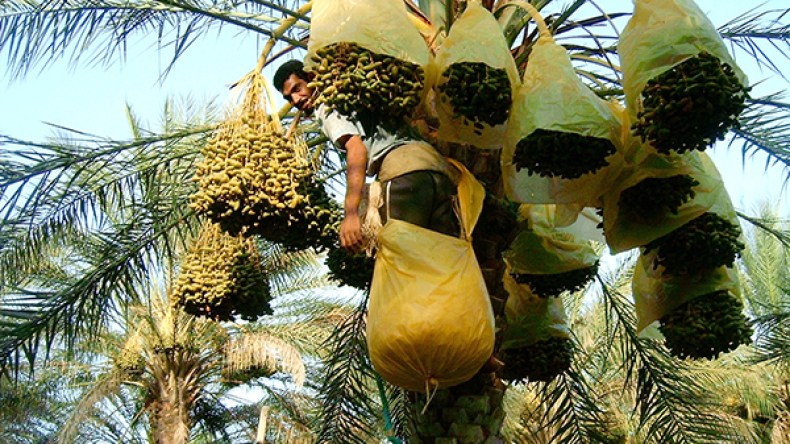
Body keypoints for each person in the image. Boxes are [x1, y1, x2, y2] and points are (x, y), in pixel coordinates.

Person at [273, 60, 461, 251]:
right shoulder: (353, 93)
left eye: (297, 88)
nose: (296, 100)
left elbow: (357, 149)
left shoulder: (327, 107)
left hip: (405, 175)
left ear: (311, 78)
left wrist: (350, 214)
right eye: (289, 98)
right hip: (439, 173)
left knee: (401, 260)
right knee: (442, 257)